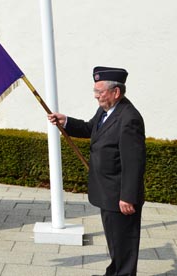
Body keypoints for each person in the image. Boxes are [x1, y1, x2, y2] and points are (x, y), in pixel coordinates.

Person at [48, 66, 146, 276]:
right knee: (115, 241)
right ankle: (115, 272)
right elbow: (89, 129)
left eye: (99, 92)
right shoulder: (106, 110)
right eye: (95, 91)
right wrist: (66, 121)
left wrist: (128, 197)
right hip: (107, 191)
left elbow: (133, 163)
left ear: (116, 92)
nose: (96, 97)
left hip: (120, 195)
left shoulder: (129, 118)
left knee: (125, 243)